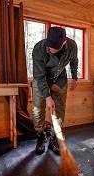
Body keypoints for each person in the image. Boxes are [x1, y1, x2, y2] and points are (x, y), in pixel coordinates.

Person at [32, 27, 78, 155]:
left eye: (55, 47)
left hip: (60, 80)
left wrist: (74, 77)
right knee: (38, 110)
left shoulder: (72, 46)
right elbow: (40, 76)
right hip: (40, 80)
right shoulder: (39, 48)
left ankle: (54, 138)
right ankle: (40, 135)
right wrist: (47, 97)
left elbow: (74, 61)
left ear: (64, 42)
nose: (51, 49)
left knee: (59, 110)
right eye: (50, 45)